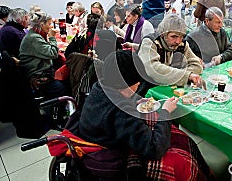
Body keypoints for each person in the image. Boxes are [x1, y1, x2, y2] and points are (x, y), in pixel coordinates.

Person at [78, 50, 215, 180]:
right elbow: (154, 149)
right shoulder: (120, 110)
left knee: (181, 138)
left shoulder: (101, 86)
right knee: (182, 160)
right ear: (127, 83)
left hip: (99, 135)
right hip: (108, 153)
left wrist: (135, 100)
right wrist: (165, 112)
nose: (139, 85)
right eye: (137, 83)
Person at [138, 14, 204, 90]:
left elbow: (197, 66)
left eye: (181, 36)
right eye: (173, 36)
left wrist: (180, 75)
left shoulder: (182, 45)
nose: (178, 41)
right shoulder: (149, 42)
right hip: (147, 90)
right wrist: (186, 75)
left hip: (172, 89)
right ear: (163, 34)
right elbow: (153, 70)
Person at [19, 12, 66, 98]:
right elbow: (53, 53)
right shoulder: (34, 38)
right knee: (66, 79)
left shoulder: (35, 34)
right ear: (42, 24)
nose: (51, 26)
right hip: (37, 74)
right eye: (49, 24)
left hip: (37, 68)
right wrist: (52, 37)